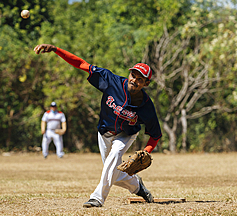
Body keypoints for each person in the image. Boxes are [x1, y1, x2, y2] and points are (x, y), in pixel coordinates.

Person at [34, 44, 162, 208]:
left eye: (140, 79)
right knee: (113, 172)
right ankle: (137, 186)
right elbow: (81, 64)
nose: (134, 80)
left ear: (146, 83)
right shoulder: (112, 81)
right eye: (133, 75)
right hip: (104, 132)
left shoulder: (146, 106)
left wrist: (146, 152)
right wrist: (56, 50)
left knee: (115, 156)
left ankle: (97, 198)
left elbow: (155, 135)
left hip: (126, 135)